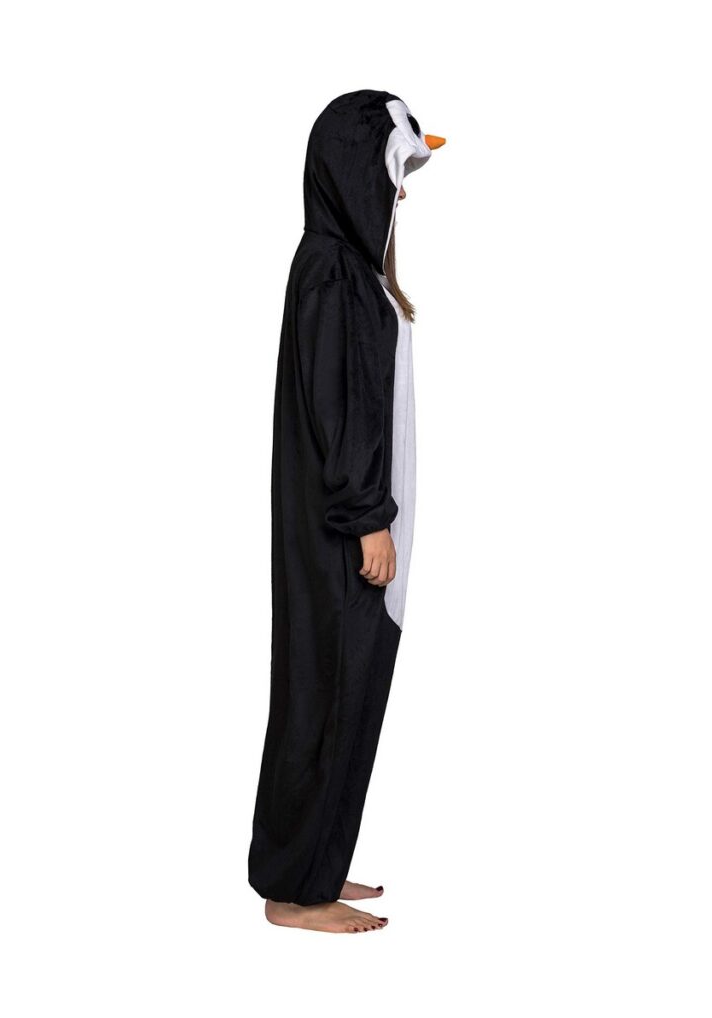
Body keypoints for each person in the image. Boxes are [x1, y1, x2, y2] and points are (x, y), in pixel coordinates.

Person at [247, 90, 445, 934]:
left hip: (354, 529)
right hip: (344, 536)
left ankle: (315, 865)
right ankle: (295, 894)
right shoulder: (330, 271)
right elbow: (341, 409)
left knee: (346, 699)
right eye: (394, 173)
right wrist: (369, 518)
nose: (399, 193)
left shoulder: (347, 268)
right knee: (324, 698)